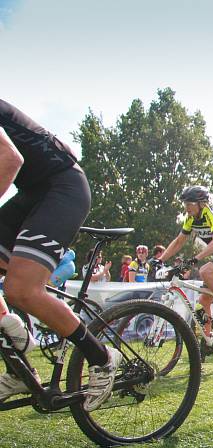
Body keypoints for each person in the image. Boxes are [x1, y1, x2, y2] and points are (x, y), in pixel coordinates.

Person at [0, 99, 121, 410]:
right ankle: (17, 363)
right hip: (34, 191)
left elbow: (9, 158)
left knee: (21, 289)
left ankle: (102, 357)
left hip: (62, 188)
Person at [160, 185, 213, 341]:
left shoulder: (212, 215)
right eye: (185, 204)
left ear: (201, 203)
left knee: (205, 271)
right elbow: (179, 241)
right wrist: (159, 260)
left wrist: (195, 259)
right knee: (202, 303)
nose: (186, 207)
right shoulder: (190, 219)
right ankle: (207, 339)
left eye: (189, 204)